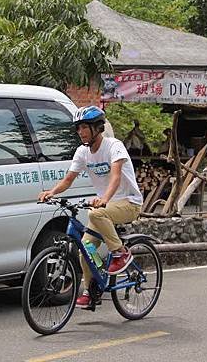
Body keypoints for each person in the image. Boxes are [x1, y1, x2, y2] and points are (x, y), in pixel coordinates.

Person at [38, 105, 143, 308]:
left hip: (128, 203)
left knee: (96, 213)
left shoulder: (114, 146)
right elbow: (68, 179)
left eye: (84, 127)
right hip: (104, 208)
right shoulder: (82, 152)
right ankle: (90, 290)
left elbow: (116, 176)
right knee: (85, 249)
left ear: (97, 128)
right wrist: (52, 192)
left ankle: (121, 252)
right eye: (78, 128)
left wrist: (104, 198)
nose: (80, 132)